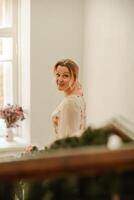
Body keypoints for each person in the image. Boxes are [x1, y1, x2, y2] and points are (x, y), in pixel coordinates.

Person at [51, 58, 86, 140]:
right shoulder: (78, 97)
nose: (60, 79)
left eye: (65, 75)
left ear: (74, 78)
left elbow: (67, 140)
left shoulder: (69, 103)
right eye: (58, 74)